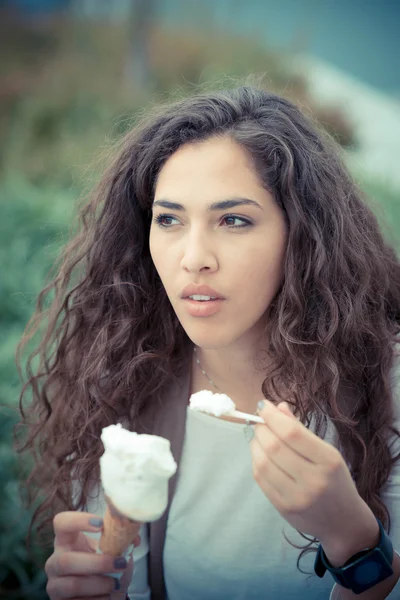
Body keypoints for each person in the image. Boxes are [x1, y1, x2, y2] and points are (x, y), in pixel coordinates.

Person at [16, 82, 400, 600]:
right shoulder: (126, 387)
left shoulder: (387, 384)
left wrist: (352, 541)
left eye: (233, 220)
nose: (193, 257)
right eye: (169, 219)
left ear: (303, 235)